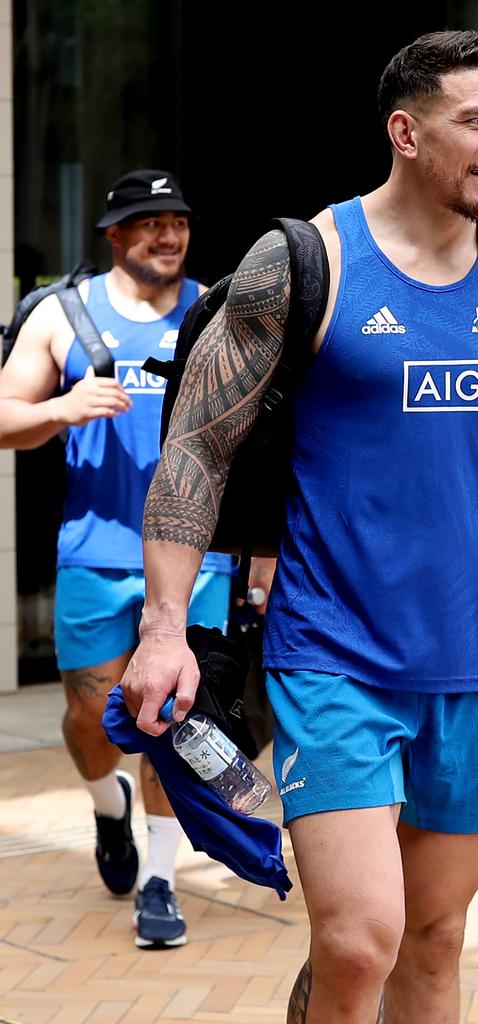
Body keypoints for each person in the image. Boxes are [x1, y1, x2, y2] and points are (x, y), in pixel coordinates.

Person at [120, 32, 478, 1023]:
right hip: (333, 656)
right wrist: (165, 626)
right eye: (476, 122)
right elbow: (195, 448)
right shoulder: (305, 263)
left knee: (434, 945)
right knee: (360, 939)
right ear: (405, 131)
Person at [0, 169, 232, 948]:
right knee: (88, 717)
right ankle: (109, 810)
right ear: (113, 234)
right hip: (94, 553)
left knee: (170, 720)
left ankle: (160, 883)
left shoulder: (217, 311)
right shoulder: (62, 315)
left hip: (197, 554)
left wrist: (262, 552)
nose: (169, 234)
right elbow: (4, 413)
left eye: (179, 221)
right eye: (149, 222)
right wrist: (58, 408)